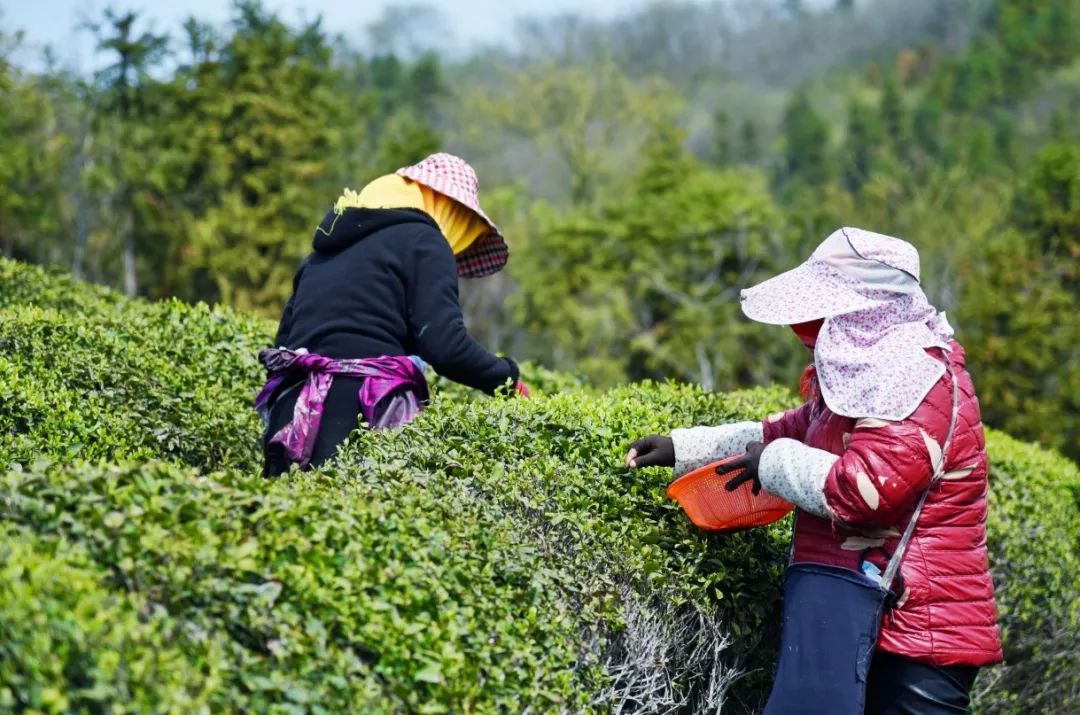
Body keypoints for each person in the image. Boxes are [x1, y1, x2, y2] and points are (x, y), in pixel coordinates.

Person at [626, 228, 1001, 714]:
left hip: (918, 633)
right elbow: (793, 428)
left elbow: (866, 491)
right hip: (866, 612)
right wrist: (684, 448)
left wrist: (773, 463)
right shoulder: (869, 378)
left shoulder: (916, 379)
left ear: (865, 311)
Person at [257, 153, 527, 476]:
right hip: (363, 413)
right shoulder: (425, 242)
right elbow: (444, 345)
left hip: (292, 419)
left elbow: (284, 344)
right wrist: (506, 377)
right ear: (453, 212)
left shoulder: (320, 254)